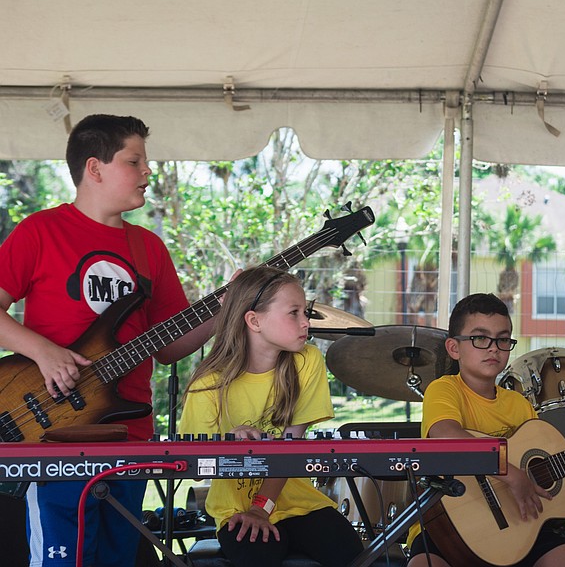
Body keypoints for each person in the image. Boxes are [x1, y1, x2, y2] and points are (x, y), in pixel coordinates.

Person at [0, 114, 214, 567]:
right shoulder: (40, 231)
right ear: (94, 168)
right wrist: (42, 351)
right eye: (134, 161)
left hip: (129, 429)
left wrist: (230, 308)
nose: (147, 173)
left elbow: (169, 345)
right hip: (54, 432)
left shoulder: (149, 247)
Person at [406, 292, 565, 567]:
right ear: (454, 348)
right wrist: (511, 474)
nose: (493, 348)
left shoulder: (518, 404)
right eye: (480, 338)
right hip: (448, 528)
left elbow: (561, 471)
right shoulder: (445, 389)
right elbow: (446, 434)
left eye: (502, 339)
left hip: (520, 527)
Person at [178, 266, 363, 567]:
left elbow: (291, 448)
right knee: (257, 557)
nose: (306, 322)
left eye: (306, 312)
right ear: (254, 320)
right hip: (235, 511)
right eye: (294, 313)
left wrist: (262, 508)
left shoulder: (307, 360)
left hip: (300, 504)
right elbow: (195, 467)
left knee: (352, 554)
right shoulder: (208, 385)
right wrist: (229, 445)